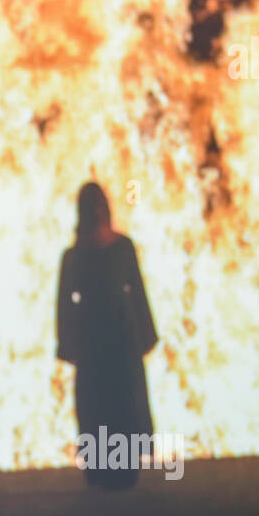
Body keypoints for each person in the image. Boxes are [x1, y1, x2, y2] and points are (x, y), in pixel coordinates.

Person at [55, 182, 158, 489]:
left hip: (121, 337)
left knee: (123, 401)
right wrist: (68, 342)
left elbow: (137, 291)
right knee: (96, 403)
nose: (99, 212)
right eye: (93, 208)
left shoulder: (123, 247)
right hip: (92, 339)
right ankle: (99, 468)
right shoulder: (72, 256)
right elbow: (64, 302)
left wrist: (145, 334)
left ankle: (125, 468)